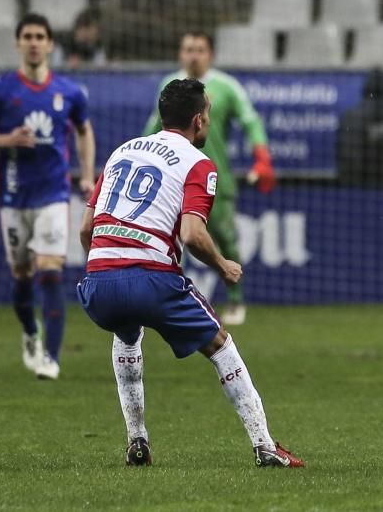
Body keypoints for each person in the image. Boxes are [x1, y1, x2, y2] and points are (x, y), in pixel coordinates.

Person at [77, 78, 304, 469]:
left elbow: (85, 230)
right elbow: (193, 235)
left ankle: (137, 440)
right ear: (198, 121)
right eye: (209, 116)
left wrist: (105, 267)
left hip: (97, 285)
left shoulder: (120, 152)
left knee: (127, 335)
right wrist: (224, 265)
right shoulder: (199, 163)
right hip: (151, 279)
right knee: (221, 345)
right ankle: (265, 445)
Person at [0, 12, 96, 380]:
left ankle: (51, 358)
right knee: (22, 277)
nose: (35, 42)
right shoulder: (1, 90)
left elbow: (85, 132)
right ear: (18, 43)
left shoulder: (69, 92)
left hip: (54, 193)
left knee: (51, 271)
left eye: (41, 36)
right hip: (13, 196)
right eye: (28, 36)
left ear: (51, 44)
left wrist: (87, 175)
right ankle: (30, 332)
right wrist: (6, 140)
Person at [142, 31, 275, 326]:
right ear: (180, 53)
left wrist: (262, 157)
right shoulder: (169, 86)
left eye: (199, 50)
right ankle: (178, 300)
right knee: (176, 241)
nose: (193, 55)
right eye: (188, 49)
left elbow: (251, 122)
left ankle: (236, 300)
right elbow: (153, 126)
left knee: (225, 239)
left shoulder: (227, 87)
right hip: (174, 180)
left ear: (209, 55)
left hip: (214, 178)